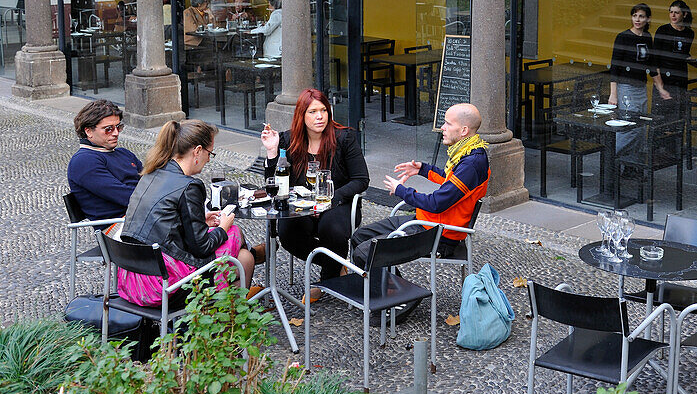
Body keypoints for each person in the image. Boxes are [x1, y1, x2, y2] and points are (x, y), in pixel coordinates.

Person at [116, 120, 255, 306]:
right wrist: (223, 227)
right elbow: (201, 247)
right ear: (197, 151)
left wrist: (199, 221)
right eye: (209, 154)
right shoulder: (189, 186)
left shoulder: (151, 173)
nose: (208, 160)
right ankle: (225, 316)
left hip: (131, 279)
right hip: (162, 285)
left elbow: (160, 223)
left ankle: (226, 313)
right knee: (235, 234)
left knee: (244, 257)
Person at [350, 103, 488, 269]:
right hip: (425, 223)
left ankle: (389, 292)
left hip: (438, 235)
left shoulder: (471, 164)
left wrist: (401, 191)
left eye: (448, 124)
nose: (442, 128)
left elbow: (436, 204)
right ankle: (388, 288)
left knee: (363, 254)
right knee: (360, 236)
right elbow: (449, 180)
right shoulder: (468, 151)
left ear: (464, 130)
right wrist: (422, 169)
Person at [260, 89, 370, 297]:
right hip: (300, 206)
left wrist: (332, 199)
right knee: (287, 233)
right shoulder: (287, 140)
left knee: (332, 229)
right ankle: (337, 265)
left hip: (338, 203)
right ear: (301, 115)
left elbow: (361, 180)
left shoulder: (344, 138)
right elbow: (274, 183)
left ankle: (326, 280)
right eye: (312, 112)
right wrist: (272, 152)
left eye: (323, 110)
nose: (319, 116)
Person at [608, 3, 671, 152]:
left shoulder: (648, 37)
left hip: (641, 88)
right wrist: (613, 94)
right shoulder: (623, 37)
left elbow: (652, 66)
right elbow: (615, 67)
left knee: (641, 127)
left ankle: (633, 165)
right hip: (626, 88)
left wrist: (661, 89)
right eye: (634, 15)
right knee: (628, 126)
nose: (637, 19)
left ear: (648, 19)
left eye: (641, 16)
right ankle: (615, 161)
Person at [67, 99, 142, 221]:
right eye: (108, 129)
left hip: (137, 218)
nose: (116, 133)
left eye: (118, 127)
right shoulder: (84, 161)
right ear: (89, 131)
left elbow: (150, 180)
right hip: (119, 226)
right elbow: (126, 197)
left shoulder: (123, 153)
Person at [652, 0, 695, 117]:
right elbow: (654, 58)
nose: (673, 15)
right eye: (671, 12)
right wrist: (659, 84)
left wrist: (696, 60)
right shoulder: (663, 30)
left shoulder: (689, 33)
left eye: (676, 12)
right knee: (662, 117)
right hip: (664, 77)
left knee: (678, 115)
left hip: (680, 77)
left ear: (684, 14)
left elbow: (684, 54)